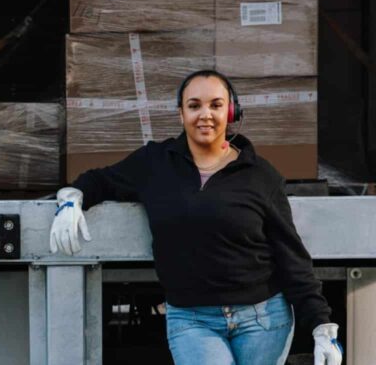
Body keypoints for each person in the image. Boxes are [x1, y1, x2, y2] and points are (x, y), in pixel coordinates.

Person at [51, 70, 343, 365]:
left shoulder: (261, 176)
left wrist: (320, 326)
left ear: (231, 111)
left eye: (216, 105)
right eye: (194, 106)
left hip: (263, 319)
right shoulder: (155, 163)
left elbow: (291, 257)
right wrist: (72, 199)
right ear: (181, 113)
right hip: (191, 319)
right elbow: (100, 180)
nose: (205, 114)